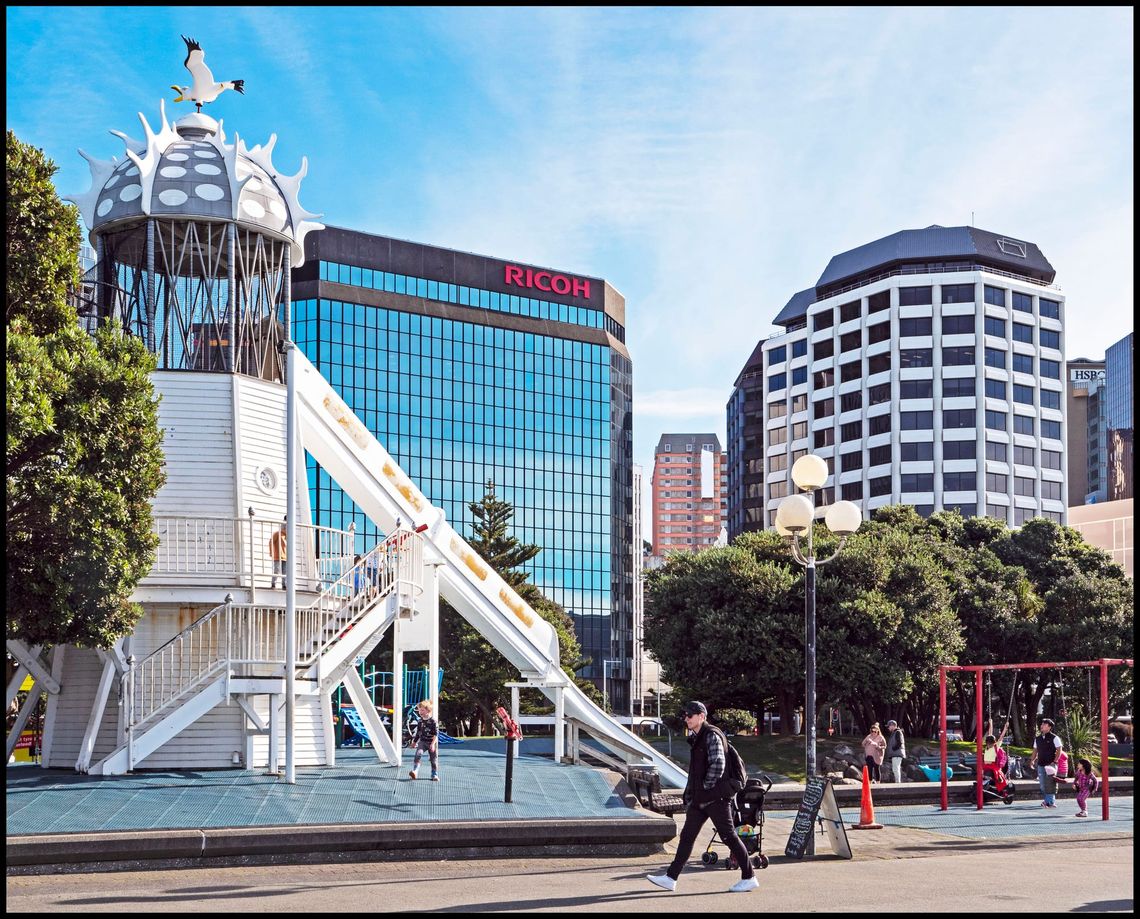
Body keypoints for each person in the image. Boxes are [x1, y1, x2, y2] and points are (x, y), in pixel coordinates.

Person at [647, 701, 758, 894]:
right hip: (701, 799)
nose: (686, 718)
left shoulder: (712, 735)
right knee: (687, 837)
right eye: (685, 715)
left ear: (702, 716)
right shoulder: (698, 737)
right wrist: (694, 792)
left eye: (690, 715)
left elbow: (718, 764)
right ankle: (670, 878)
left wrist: (705, 786)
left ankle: (749, 877)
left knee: (729, 837)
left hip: (716, 798)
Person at [1028, 717, 1063, 808]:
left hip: (1051, 765)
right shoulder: (1038, 739)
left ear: (1049, 727)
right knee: (1043, 786)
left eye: (1044, 724)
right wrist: (1032, 760)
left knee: (1050, 784)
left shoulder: (1055, 738)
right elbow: (1035, 751)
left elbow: (1059, 750)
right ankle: (1048, 801)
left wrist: (1054, 761)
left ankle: (1049, 802)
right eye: (1042, 724)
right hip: (1040, 764)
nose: (1042, 725)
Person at [407, 699, 440, 781]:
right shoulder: (420, 721)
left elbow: (436, 734)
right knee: (418, 754)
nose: (420, 712)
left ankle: (434, 774)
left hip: (431, 742)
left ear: (428, 710)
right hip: (423, 742)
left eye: (422, 710)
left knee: (433, 759)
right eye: (419, 710)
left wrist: (432, 744)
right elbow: (418, 733)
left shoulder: (433, 721)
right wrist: (414, 742)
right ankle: (415, 771)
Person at [885, 719, 906, 783]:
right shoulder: (895, 732)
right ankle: (897, 782)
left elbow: (900, 743)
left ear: (893, 725)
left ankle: (898, 783)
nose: (888, 728)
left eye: (889, 726)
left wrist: (893, 749)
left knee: (896, 769)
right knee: (895, 769)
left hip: (897, 754)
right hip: (895, 754)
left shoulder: (898, 732)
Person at [268, 520, 287, 589]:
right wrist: (271, 552)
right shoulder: (277, 534)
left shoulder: (289, 536)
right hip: (277, 555)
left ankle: (284, 584)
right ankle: (273, 583)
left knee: (285, 571)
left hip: (286, 556)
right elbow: (271, 542)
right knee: (277, 570)